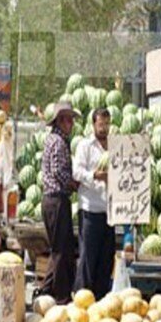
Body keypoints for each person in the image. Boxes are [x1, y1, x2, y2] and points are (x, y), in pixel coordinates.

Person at [38, 102, 80, 304]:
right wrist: (74, 183)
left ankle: (45, 290)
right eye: (69, 120)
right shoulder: (57, 142)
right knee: (61, 251)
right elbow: (57, 172)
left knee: (60, 248)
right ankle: (60, 296)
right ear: (61, 121)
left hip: (53, 200)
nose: (72, 124)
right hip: (56, 200)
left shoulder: (55, 139)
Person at [72, 108, 115, 300]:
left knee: (106, 258)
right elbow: (77, 172)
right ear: (93, 125)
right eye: (100, 125)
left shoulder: (115, 145)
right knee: (88, 258)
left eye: (106, 124)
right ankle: (82, 298)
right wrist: (96, 176)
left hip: (110, 211)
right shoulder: (85, 146)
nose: (104, 128)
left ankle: (101, 298)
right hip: (90, 209)